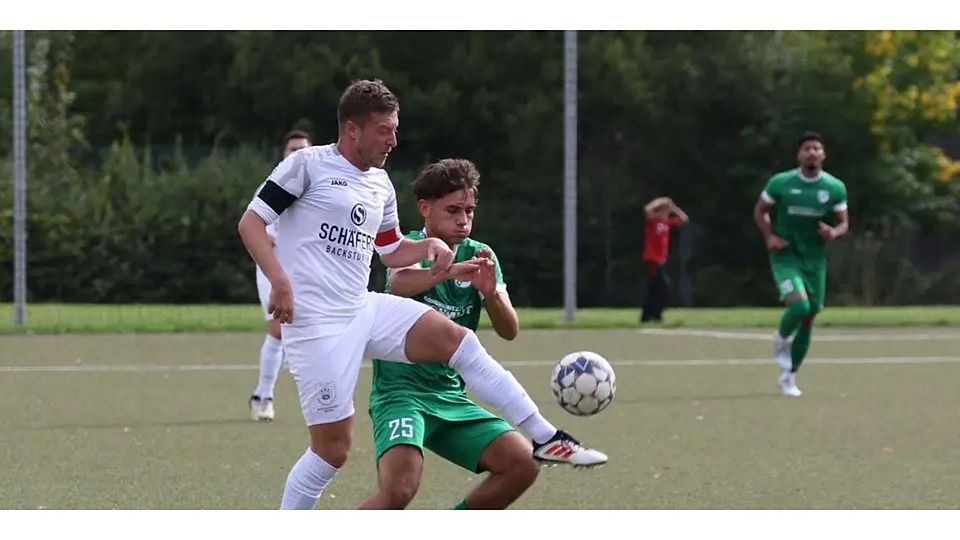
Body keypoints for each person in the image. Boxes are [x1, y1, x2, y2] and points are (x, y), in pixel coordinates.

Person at [237, 79, 607, 511]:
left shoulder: (380, 184)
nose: (393, 140)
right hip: (316, 324)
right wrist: (280, 281)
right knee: (331, 451)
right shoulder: (306, 166)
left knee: (458, 341)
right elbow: (251, 223)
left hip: (361, 307)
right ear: (352, 129)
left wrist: (430, 247)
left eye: (395, 130)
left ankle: (545, 437)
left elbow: (391, 250)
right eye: (384, 130)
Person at [357, 158, 549, 511]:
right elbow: (399, 284)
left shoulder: (481, 255)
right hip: (401, 395)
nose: (463, 220)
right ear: (425, 208)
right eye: (453, 210)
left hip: (450, 396)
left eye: (469, 211)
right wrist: (446, 271)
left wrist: (491, 295)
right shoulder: (411, 246)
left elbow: (509, 330)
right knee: (398, 491)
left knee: (522, 464)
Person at [753, 131, 849, 397]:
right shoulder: (781, 182)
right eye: (807, 148)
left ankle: (789, 377)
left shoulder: (834, 187)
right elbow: (760, 210)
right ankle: (782, 338)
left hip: (814, 259)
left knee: (809, 316)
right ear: (799, 155)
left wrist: (833, 232)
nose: (812, 153)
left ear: (823, 154)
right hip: (786, 255)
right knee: (799, 306)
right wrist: (770, 236)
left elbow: (843, 223)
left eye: (816, 148)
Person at [249, 129, 312, 422]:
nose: (297, 153)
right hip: (272, 270)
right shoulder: (272, 186)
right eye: (292, 149)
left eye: (302, 149)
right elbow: (260, 231)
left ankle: (265, 394)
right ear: (284, 154)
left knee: (300, 330)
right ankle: (264, 397)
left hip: (303, 271)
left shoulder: (317, 188)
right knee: (278, 327)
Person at [640, 196, 688, 323]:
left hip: (660, 260)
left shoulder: (667, 223)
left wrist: (673, 207)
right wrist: (660, 201)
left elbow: (684, 219)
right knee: (663, 286)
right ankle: (655, 314)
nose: (666, 213)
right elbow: (647, 209)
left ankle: (647, 316)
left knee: (654, 288)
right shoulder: (653, 222)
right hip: (652, 259)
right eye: (664, 211)